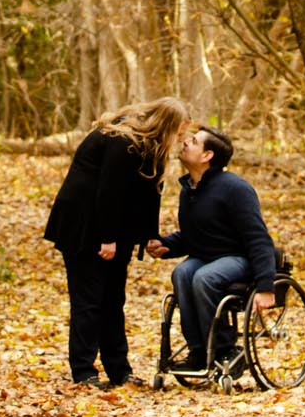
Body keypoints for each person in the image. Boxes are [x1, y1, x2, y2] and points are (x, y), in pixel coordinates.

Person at [43, 96, 191, 389]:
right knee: (89, 300)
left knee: (113, 300)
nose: (180, 141)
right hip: (84, 227)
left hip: (116, 230)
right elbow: (107, 193)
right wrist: (107, 238)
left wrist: (150, 235)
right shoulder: (121, 142)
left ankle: (118, 370)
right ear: (166, 126)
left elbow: (150, 193)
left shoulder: (149, 148)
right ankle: (84, 371)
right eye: (179, 133)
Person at [145, 125, 278, 374]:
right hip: (207, 257)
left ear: (207, 156)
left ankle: (225, 348)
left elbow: (258, 238)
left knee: (204, 277)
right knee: (183, 273)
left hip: (240, 258)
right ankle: (198, 350)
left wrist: (265, 286)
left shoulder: (236, 189)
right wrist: (166, 245)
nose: (185, 143)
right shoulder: (190, 190)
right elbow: (194, 235)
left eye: (193, 141)